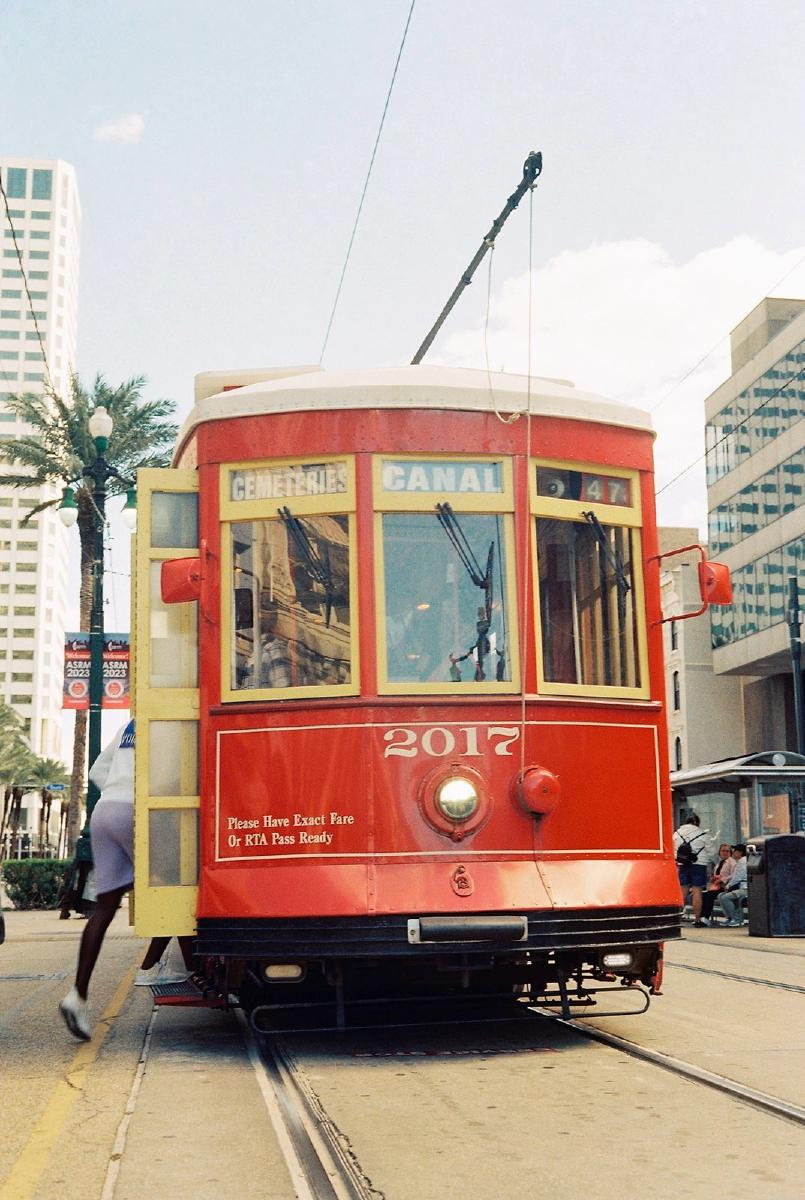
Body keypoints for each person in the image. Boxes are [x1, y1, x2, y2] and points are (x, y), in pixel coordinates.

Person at [59, 720, 192, 1040]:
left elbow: (95, 772)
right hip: (138, 809)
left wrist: (119, 790)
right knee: (175, 885)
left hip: (106, 810)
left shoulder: (129, 725)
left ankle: (77, 996)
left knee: (105, 907)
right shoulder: (172, 720)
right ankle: (173, 970)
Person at [673, 812, 711, 926]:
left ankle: (677, 918)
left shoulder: (676, 834)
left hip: (683, 864)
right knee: (697, 891)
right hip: (699, 864)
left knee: (682, 891)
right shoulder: (703, 834)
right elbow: (711, 850)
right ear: (696, 822)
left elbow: (673, 849)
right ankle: (697, 919)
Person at [699, 842, 736, 924]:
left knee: (708, 896)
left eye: (727, 851)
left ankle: (705, 917)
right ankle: (702, 917)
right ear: (719, 852)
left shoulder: (732, 862)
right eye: (723, 851)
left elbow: (734, 875)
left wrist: (722, 879)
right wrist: (714, 878)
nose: (725, 853)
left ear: (730, 852)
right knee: (704, 895)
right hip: (717, 886)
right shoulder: (720, 863)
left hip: (726, 887)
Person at [718, 844, 748, 926]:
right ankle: (730, 918)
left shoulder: (742, 861)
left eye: (735, 851)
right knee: (721, 895)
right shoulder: (741, 861)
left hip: (745, 890)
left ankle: (737, 919)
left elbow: (737, 877)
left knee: (725, 897)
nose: (733, 853)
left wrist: (728, 886)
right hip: (741, 888)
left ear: (740, 852)